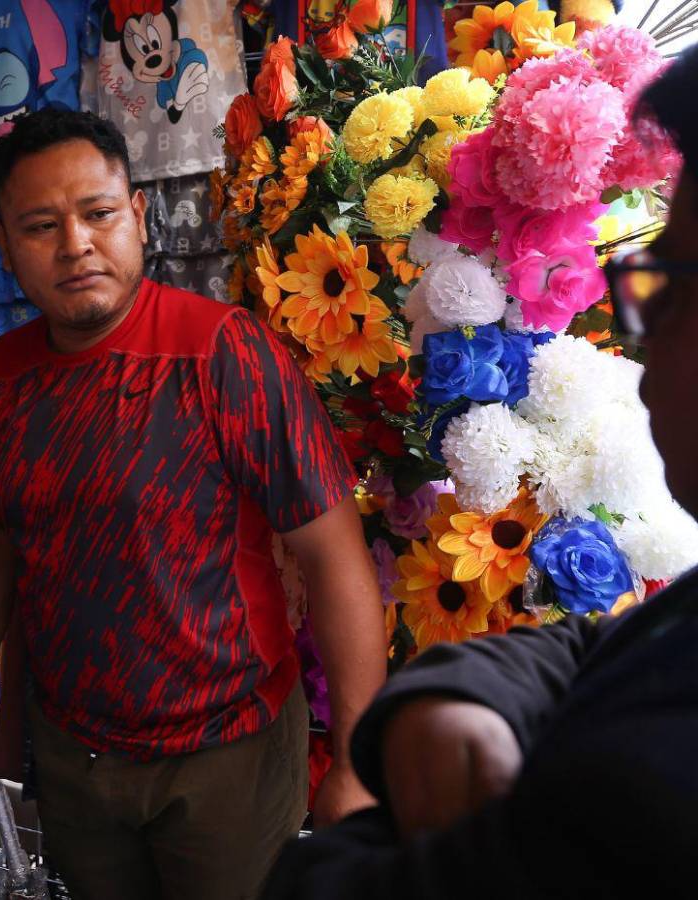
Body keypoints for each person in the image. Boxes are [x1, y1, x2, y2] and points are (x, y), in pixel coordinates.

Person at [0, 108, 388, 900]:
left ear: (137, 216)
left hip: (227, 748)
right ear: (2, 247)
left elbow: (334, 556)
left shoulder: (222, 351)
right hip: (73, 752)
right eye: (40, 225)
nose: (75, 244)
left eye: (96, 214)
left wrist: (362, 761)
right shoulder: (2, 375)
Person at [262, 44, 698, 900]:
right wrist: (460, 697)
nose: (643, 339)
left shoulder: (646, 793)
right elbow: (599, 648)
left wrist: (364, 813)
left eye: (671, 286)